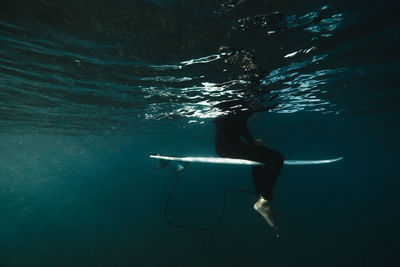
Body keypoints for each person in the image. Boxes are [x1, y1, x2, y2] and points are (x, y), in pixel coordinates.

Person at [214, 99, 284, 236]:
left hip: (224, 148)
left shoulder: (235, 107)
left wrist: (252, 142)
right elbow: (240, 124)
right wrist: (253, 142)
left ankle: (262, 198)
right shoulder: (242, 106)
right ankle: (264, 201)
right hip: (231, 148)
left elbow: (236, 125)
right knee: (277, 158)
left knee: (257, 159)